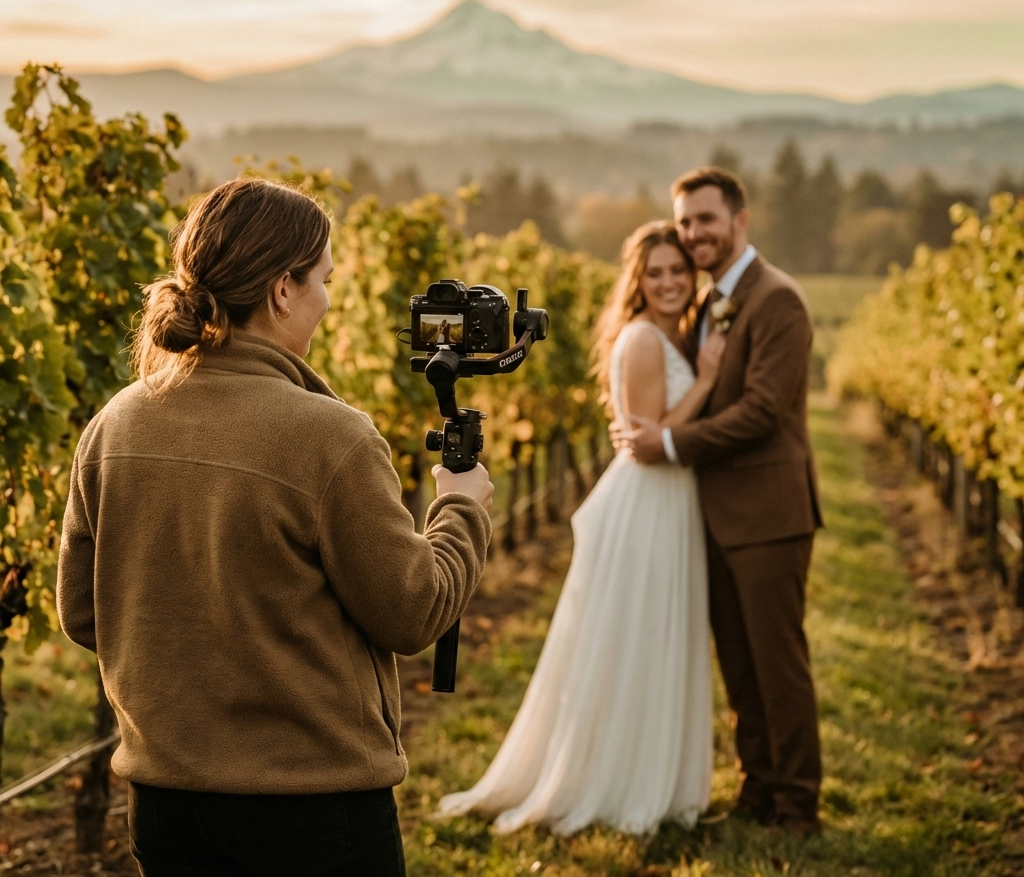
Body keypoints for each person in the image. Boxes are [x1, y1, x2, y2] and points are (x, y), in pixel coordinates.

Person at [56, 177, 494, 877]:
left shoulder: (116, 422)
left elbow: (84, 613)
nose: (328, 299)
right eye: (323, 279)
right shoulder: (330, 437)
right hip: (314, 811)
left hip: (164, 804)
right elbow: (413, 613)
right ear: (283, 290)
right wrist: (462, 505)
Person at [437, 221, 726, 836]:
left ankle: (653, 774)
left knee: (653, 634)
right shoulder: (644, 340)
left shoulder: (676, 331)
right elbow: (649, 441)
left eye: (678, 270)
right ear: (638, 281)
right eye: (656, 273)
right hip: (647, 499)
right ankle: (619, 779)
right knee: (636, 639)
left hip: (668, 498)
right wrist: (704, 381)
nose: (670, 281)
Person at [621, 167, 823, 836]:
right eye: (685, 222)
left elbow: (763, 412)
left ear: (740, 220)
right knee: (740, 664)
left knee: (778, 665)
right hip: (715, 514)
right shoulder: (711, 302)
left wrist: (672, 443)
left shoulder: (778, 300)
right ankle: (756, 791)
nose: (694, 234)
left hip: (768, 515)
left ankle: (797, 807)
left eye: (706, 220)